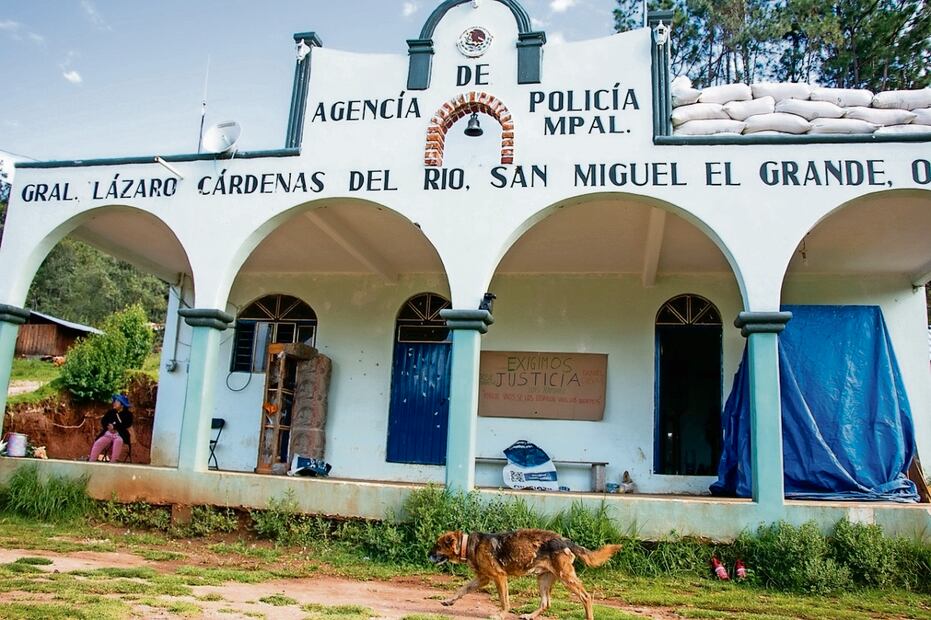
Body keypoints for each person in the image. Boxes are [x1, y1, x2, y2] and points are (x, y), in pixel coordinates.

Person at [88, 394, 133, 463]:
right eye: (115, 401)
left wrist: (115, 427)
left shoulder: (128, 415)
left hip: (120, 434)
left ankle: (113, 462)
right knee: (98, 442)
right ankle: (91, 460)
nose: (114, 403)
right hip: (108, 433)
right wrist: (109, 427)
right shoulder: (111, 412)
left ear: (122, 405)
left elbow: (127, 424)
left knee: (118, 441)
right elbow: (104, 421)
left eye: (117, 402)